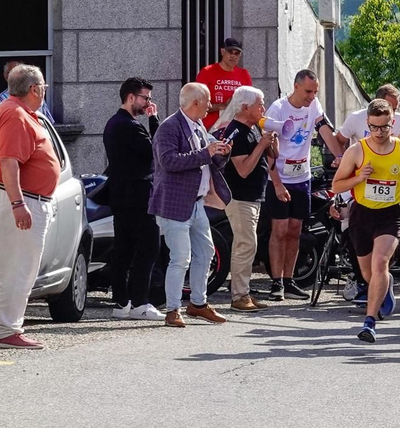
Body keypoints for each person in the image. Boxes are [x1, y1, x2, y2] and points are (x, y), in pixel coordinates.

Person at [331, 99, 400, 343]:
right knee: (368, 272)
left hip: (390, 214)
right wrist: (358, 178)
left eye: (384, 127)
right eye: (374, 127)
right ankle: (383, 285)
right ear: (367, 124)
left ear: (392, 123)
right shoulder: (357, 151)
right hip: (362, 214)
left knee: (380, 262)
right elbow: (336, 185)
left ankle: (369, 322)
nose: (379, 132)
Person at [150, 82, 233, 328]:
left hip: (196, 203)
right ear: (195, 102)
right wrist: (206, 153)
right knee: (180, 258)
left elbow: (209, 160)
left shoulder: (197, 125)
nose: (211, 105)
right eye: (207, 101)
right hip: (175, 203)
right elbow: (168, 162)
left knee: (206, 252)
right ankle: (173, 309)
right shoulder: (169, 127)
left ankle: (198, 303)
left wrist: (222, 152)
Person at [263, 70, 342, 300]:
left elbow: (325, 130)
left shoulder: (313, 105)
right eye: (308, 91)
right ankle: (276, 282)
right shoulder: (278, 109)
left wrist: (340, 156)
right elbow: (268, 149)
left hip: (302, 177)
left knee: (296, 230)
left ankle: (289, 280)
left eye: (315, 92)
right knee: (279, 230)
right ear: (296, 86)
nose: (311, 96)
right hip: (279, 176)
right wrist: (276, 184)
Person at [0, 64, 60, 348]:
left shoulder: (16, 112)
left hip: (24, 199)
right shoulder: (16, 114)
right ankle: (6, 330)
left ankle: (6, 327)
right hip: (22, 201)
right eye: (44, 86)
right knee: (19, 267)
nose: (45, 91)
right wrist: (18, 203)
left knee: (15, 266)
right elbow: (9, 161)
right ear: (34, 89)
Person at [103, 77, 164, 320]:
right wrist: (154, 119)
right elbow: (157, 150)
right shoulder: (129, 125)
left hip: (122, 193)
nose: (148, 103)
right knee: (149, 246)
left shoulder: (113, 123)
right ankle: (140, 302)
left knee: (124, 249)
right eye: (145, 98)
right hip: (136, 193)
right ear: (131, 97)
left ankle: (121, 302)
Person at [216, 86, 275, 311]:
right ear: (245, 107)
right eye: (260, 104)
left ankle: (244, 293)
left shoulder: (252, 129)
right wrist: (261, 145)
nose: (264, 108)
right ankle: (239, 296)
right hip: (240, 197)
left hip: (253, 197)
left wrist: (270, 144)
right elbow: (242, 169)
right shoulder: (236, 132)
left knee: (249, 244)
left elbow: (271, 158)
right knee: (245, 244)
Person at [194, 37, 250, 129]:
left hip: (235, 129)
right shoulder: (207, 72)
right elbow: (197, 103)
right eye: (230, 52)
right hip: (210, 128)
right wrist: (223, 106)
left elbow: (250, 102)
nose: (233, 56)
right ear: (222, 51)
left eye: (237, 53)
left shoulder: (244, 74)